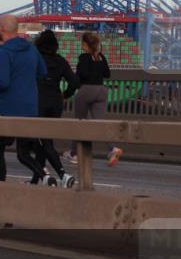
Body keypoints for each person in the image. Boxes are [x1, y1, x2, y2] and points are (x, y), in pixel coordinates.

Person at [0, 14, 50, 184]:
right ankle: (45, 175)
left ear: (1, 29)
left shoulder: (4, 52)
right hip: (29, 108)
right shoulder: (31, 49)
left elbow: (2, 82)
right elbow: (42, 72)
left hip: (7, 109)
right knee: (23, 152)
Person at [65, 32, 123, 167]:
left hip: (86, 90)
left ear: (85, 45)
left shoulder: (83, 57)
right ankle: (112, 149)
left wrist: (68, 93)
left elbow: (80, 76)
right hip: (102, 91)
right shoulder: (101, 57)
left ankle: (75, 154)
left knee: (80, 122)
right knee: (99, 123)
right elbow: (107, 74)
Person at [33, 30, 80, 188]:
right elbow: (74, 82)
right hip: (55, 103)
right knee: (45, 139)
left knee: (41, 141)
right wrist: (66, 94)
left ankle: (61, 175)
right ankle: (38, 178)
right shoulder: (60, 61)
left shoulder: (35, 59)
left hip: (39, 101)